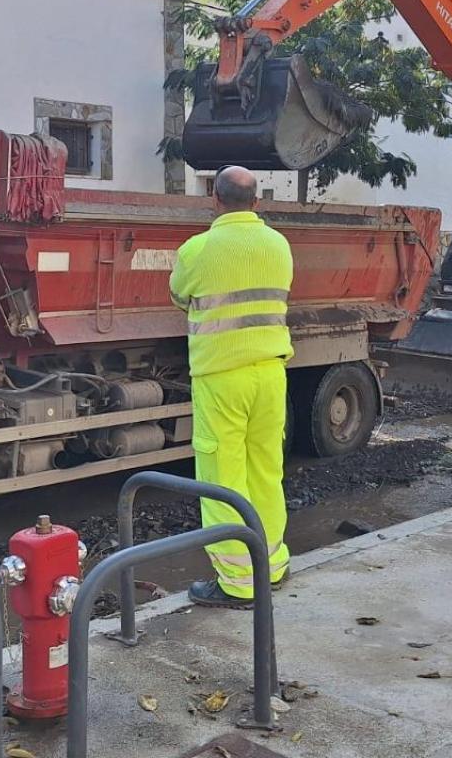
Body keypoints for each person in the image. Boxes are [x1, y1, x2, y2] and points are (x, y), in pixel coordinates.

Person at [169, 166, 293, 608]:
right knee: (265, 470)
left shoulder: (197, 250)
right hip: (270, 374)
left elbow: (179, 295)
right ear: (256, 202)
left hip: (222, 377)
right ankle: (271, 565)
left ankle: (238, 583)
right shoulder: (279, 245)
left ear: (214, 199)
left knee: (223, 477)